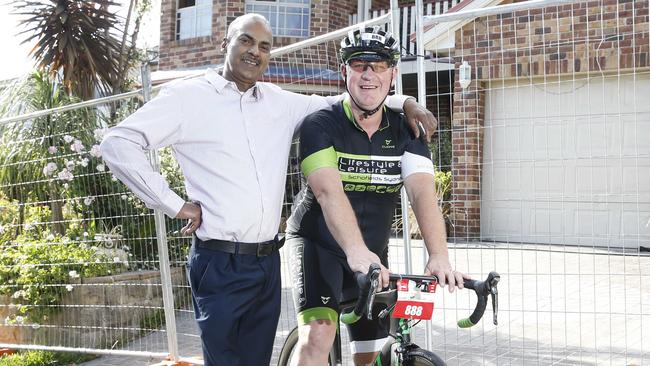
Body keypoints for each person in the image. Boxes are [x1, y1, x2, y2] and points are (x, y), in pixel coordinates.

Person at [100, 14, 437, 366]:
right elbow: (118, 143)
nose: (254, 51)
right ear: (224, 45)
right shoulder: (187, 97)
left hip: (265, 264)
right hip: (219, 260)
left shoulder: (279, 102)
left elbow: (351, 101)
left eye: (264, 46)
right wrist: (174, 205)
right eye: (245, 40)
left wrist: (405, 102)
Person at [285, 26, 468, 366]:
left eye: (379, 65)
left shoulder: (406, 130)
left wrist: (439, 255)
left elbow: (422, 194)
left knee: (370, 354)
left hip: (372, 253)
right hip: (318, 245)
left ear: (393, 74)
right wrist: (355, 252)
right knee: (318, 337)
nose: (369, 74)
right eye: (359, 64)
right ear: (345, 72)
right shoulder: (319, 125)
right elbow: (327, 191)